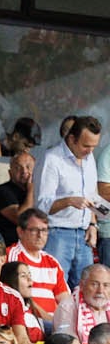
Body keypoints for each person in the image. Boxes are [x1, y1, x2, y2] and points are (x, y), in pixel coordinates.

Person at [37, 115, 102, 290]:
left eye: (94, 147)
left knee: (86, 291)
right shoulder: (52, 158)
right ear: (72, 139)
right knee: (54, 289)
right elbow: (42, 205)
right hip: (57, 234)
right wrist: (69, 201)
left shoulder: (89, 159)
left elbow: (92, 196)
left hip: (84, 235)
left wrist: (93, 225)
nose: (90, 151)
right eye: (86, 145)